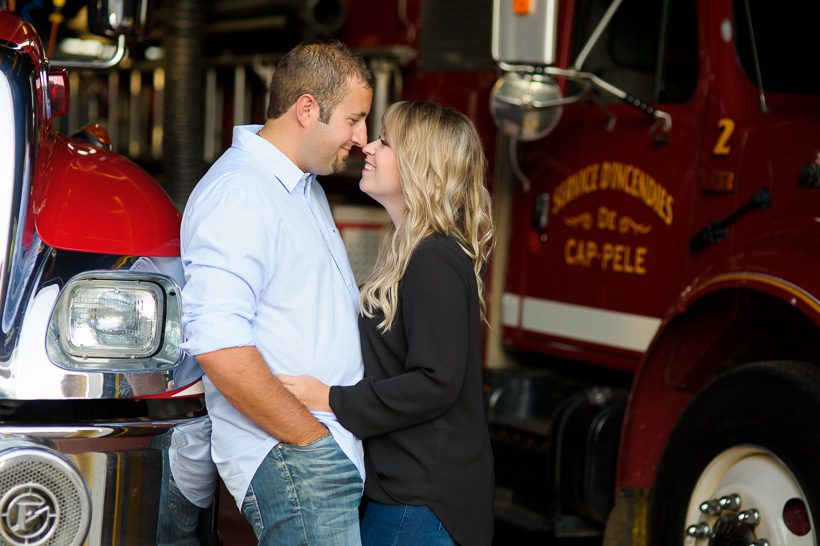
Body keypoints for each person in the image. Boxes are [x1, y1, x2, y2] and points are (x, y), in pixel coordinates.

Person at [180, 40, 374, 545]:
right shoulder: (240, 194)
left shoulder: (299, 185)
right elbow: (217, 345)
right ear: (307, 108)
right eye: (354, 119)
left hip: (319, 450)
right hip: (296, 456)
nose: (363, 137)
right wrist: (312, 440)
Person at [279, 100, 496, 546]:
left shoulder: (434, 257)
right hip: (408, 497)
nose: (369, 147)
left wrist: (330, 398)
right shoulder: (413, 252)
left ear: (422, 166)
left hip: (420, 504)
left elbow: (436, 381)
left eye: (386, 141)